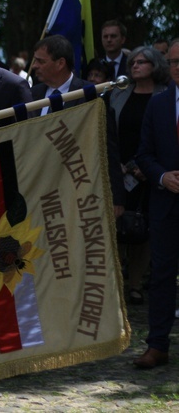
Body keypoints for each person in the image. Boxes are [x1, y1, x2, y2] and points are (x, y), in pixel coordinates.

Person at [105, 45, 170, 306]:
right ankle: (117, 283)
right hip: (119, 169)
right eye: (132, 62)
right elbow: (109, 131)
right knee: (118, 224)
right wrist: (117, 165)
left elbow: (168, 138)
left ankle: (135, 285)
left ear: (155, 66)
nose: (135, 66)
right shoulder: (119, 94)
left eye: (142, 62)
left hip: (152, 172)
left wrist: (149, 168)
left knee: (145, 228)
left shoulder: (166, 96)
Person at [133, 39, 179, 369]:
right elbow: (144, 154)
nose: (177, 67)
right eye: (173, 61)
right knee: (162, 276)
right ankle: (158, 344)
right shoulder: (159, 104)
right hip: (165, 204)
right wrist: (163, 177)